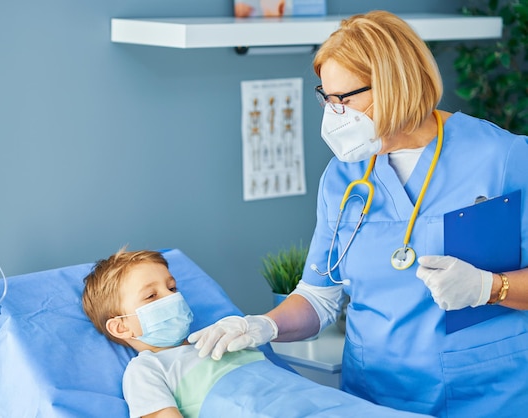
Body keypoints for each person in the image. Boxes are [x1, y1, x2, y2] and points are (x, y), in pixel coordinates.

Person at [189, 10, 528, 418]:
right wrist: (265, 325)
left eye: (344, 99)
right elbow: (319, 296)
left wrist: (489, 287)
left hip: (483, 393)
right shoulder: (344, 176)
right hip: (373, 397)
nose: (334, 114)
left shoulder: (504, 158)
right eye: (326, 98)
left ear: (394, 85)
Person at [81, 248, 270, 418]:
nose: (173, 296)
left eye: (172, 288)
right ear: (121, 327)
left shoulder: (221, 337)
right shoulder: (147, 369)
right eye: (151, 296)